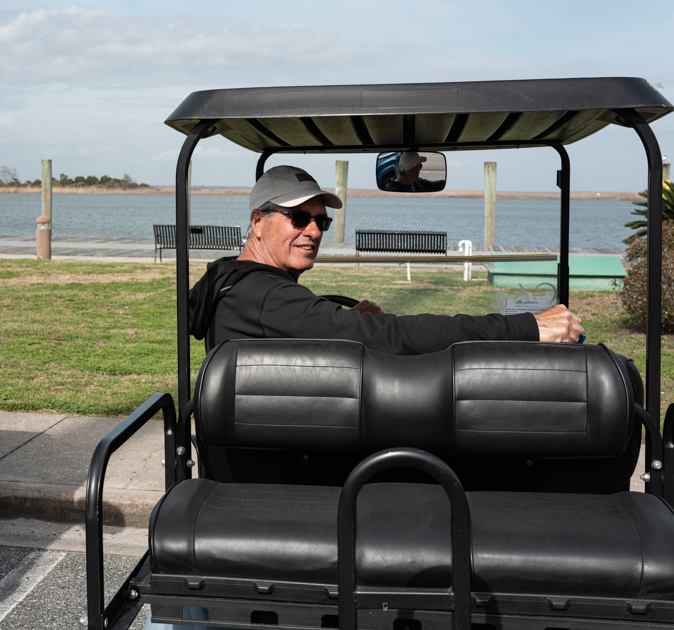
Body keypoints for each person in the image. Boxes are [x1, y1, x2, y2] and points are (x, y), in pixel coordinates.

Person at [189, 165, 583, 353]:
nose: (313, 231)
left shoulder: (239, 287)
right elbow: (389, 337)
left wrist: (343, 316)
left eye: (322, 221)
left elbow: (291, 323)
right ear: (258, 222)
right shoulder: (262, 297)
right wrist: (524, 328)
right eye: (298, 217)